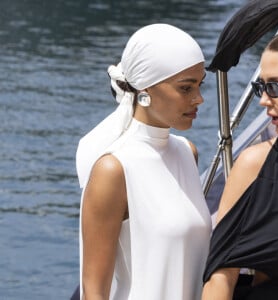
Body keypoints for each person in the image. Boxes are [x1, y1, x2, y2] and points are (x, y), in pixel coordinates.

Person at [75, 23, 212, 300]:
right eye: (186, 88)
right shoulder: (114, 169)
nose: (199, 98)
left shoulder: (187, 152)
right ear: (146, 89)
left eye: (200, 85)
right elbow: (94, 291)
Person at [202, 26, 278, 300]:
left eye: (275, 87)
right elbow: (219, 280)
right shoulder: (255, 166)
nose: (263, 101)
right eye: (261, 87)